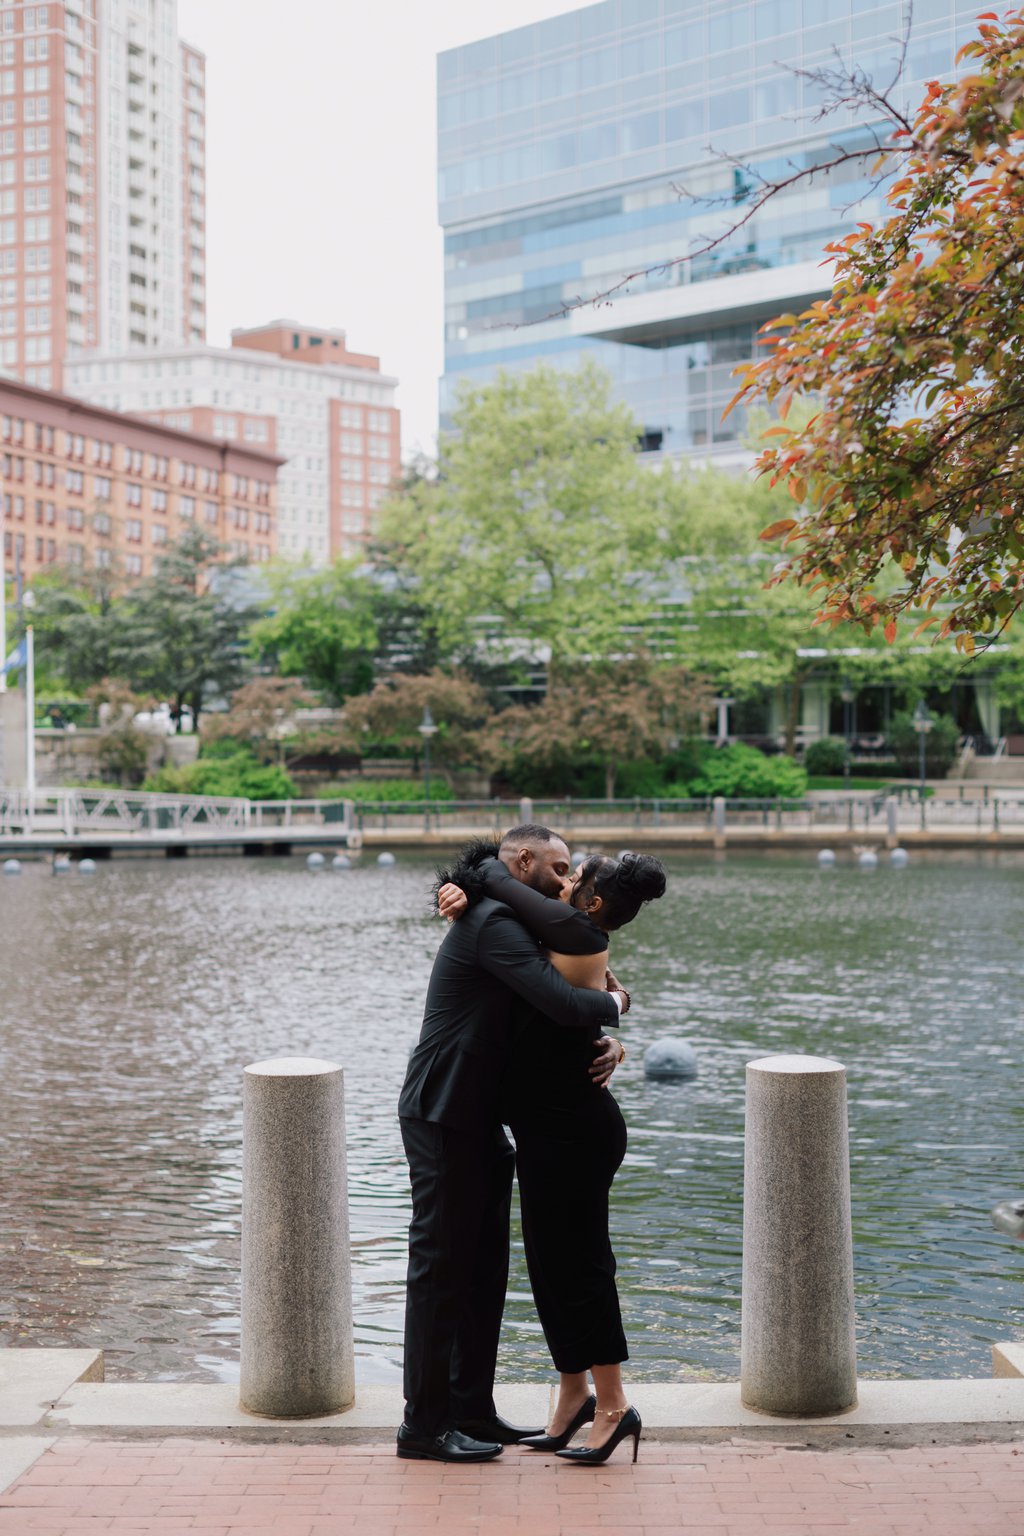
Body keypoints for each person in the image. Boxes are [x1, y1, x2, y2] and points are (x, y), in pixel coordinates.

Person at [396, 825, 627, 1465]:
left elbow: (585, 971)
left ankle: (470, 1409)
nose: (566, 883)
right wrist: (614, 1006)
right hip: (444, 1112)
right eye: (557, 870)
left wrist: (613, 1014)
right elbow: (561, 999)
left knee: (483, 1270)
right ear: (522, 861)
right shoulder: (494, 921)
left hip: (485, 1118)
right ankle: (423, 1425)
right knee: (441, 1270)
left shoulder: (518, 917)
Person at [438, 849, 666, 1465]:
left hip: (575, 1130)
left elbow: (505, 891)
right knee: (549, 1267)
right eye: (558, 873)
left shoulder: (579, 937)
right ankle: (573, 1395)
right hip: (545, 1130)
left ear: (591, 903)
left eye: (573, 877)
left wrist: (478, 877)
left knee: (584, 1266)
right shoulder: (564, 934)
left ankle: (615, 1404)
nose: (560, 884)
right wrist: (456, 890)